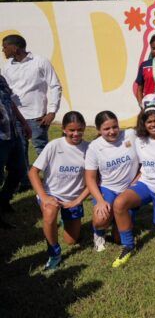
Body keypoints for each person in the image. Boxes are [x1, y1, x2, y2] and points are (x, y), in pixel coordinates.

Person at [111, 106, 155, 268]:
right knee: (120, 203)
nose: (153, 124)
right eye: (149, 121)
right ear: (144, 123)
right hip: (146, 183)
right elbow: (117, 136)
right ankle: (128, 245)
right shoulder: (140, 141)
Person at [27, 111, 89, 271]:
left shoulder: (89, 149)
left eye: (79, 129)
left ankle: (64, 221)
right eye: (71, 130)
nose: (76, 133)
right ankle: (54, 253)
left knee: (71, 240)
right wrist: (44, 197)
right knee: (50, 211)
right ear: (63, 129)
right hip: (51, 194)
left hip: (73, 198)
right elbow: (33, 172)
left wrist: (78, 200)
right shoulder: (54, 145)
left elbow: (93, 181)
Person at [2, 34, 62, 191]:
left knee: (42, 149)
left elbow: (55, 85)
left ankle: (54, 180)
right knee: (20, 152)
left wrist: (52, 111)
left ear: (15, 48)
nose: (3, 50)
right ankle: (25, 183)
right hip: (15, 118)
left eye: (5, 46)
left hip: (37, 116)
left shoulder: (40, 62)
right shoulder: (6, 66)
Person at [84, 111, 139, 252]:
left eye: (115, 127)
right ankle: (98, 233)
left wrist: (137, 179)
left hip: (129, 189)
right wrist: (100, 201)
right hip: (108, 189)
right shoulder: (94, 147)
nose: (112, 131)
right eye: (106, 129)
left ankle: (117, 219)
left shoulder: (130, 135)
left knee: (118, 239)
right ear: (98, 130)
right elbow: (90, 178)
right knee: (100, 220)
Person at [0, 71, 30, 227]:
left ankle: (4, 200)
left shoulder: (1, 78)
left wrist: (24, 123)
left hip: (12, 133)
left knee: (19, 170)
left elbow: (10, 103)